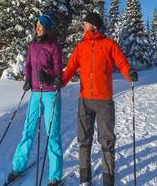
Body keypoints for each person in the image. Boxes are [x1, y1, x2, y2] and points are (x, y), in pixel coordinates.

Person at [58, 12, 138, 186]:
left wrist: (129, 73)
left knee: (107, 141)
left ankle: (108, 180)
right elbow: (70, 68)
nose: (83, 26)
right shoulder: (81, 47)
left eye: (85, 23)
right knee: (83, 140)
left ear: (94, 26)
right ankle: (85, 179)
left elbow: (122, 62)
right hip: (84, 100)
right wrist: (60, 82)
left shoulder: (109, 44)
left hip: (104, 101)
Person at [7, 14, 63, 186]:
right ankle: (18, 167)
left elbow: (59, 72)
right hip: (35, 95)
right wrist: (27, 79)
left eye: (40, 26)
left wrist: (49, 78)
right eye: (36, 26)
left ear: (47, 28)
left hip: (51, 94)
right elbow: (28, 65)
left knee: (52, 135)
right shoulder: (32, 46)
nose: (37, 29)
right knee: (28, 131)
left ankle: (55, 176)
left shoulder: (54, 47)